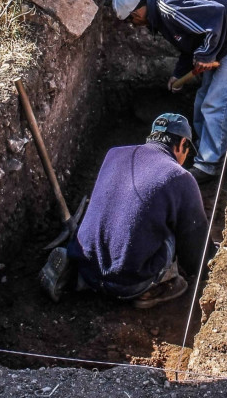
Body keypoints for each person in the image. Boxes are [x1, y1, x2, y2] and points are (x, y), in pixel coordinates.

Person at [39, 114, 212, 309]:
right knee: (173, 230)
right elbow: (195, 243)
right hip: (126, 283)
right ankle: (150, 290)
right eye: (186, 151)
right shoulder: (179, 176)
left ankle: (75, 270)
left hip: (87, 269)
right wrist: (210, 265)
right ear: (182, 144)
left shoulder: (113, 154)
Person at [112, 0, 227, 184]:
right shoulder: (162, 16)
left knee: (217, 103)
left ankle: (209, 165)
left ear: (136, 13)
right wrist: (179, 73)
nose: (134, 25)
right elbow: (189, 43)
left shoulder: (169, 6)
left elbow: (217, 16)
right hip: (220, 43)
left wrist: (206, 54)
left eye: (131, 20)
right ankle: (201, 151)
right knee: (202, 101)